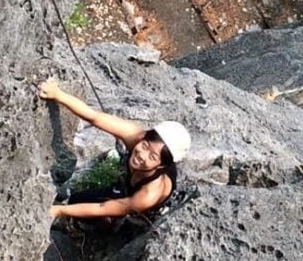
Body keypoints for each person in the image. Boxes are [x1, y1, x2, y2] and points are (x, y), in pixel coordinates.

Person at [39, 79, 191, 221]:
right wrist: (58, 94)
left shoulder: (149, 194)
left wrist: (58, 211)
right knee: (76, 199)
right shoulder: (136, 136)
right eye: (145, 146)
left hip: (142, 204)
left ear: (161, 165)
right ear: (144, 136)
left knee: (101, 217)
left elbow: (102, 207)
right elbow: (94, 117)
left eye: (152, 157)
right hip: (129, 183)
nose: (141, 155)